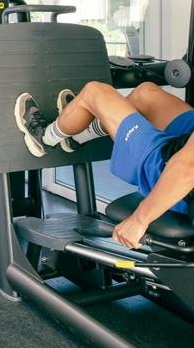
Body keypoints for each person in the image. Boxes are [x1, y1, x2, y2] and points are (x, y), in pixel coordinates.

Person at [15, 81, 194, 249]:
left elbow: (188, 168)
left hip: (178, 179)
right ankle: (77, 136)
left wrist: (139, 220)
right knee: (145, 94)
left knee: (94, 92)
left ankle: (44, 138)